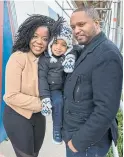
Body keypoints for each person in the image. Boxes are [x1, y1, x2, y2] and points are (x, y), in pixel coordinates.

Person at [62, 6, 123, 157]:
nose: (76, 30)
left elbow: (106, 109)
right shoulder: (88, 48)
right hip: (77, 136)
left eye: (81, 24)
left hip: (87, 144)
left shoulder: (106, 54)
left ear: (96, 23)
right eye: (73, 27)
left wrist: (78, 143)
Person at [3, 14, 56, 157]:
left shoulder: (49, 61)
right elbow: (11, 96)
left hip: (38, 117)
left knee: (34, 153)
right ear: (27, 36)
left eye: (45, 39)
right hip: (17, 115)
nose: (39, 42)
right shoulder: (19, 58)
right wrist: (44, 103)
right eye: (35, 36)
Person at [38, 18, 79, 144]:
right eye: (56, 43)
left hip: (65, 87)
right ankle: (56, 130)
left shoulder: (66, 56)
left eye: (63, 44)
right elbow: (42, 78)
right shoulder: (45, 59)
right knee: (58, 102)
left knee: (70, 103)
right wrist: (45, 98)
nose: (58, 47)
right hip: (53, 89)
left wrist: (71, 56)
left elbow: (78, 48)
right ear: (50, 43)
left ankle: (68, 128)